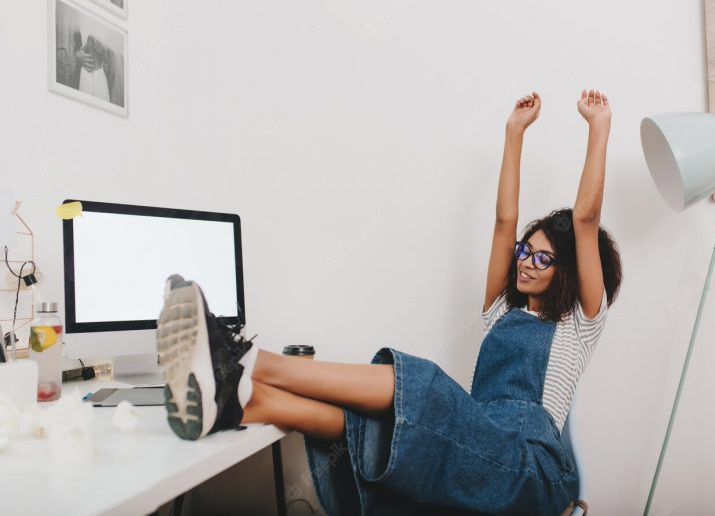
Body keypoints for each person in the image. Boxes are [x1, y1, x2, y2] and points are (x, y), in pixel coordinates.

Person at [156, 88, 622, 515]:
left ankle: (243, 362)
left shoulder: (579, 325)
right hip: (476, 446)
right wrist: (513, 133)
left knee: (432, 391)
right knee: (369, 424)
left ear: (569, 272)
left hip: (534, 472)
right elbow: (504, 221)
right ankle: (241, 402)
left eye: (544, 258)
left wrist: (598, 128)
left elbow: (585, 218)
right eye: (526, 250)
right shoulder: (502, 311)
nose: (526, 262)